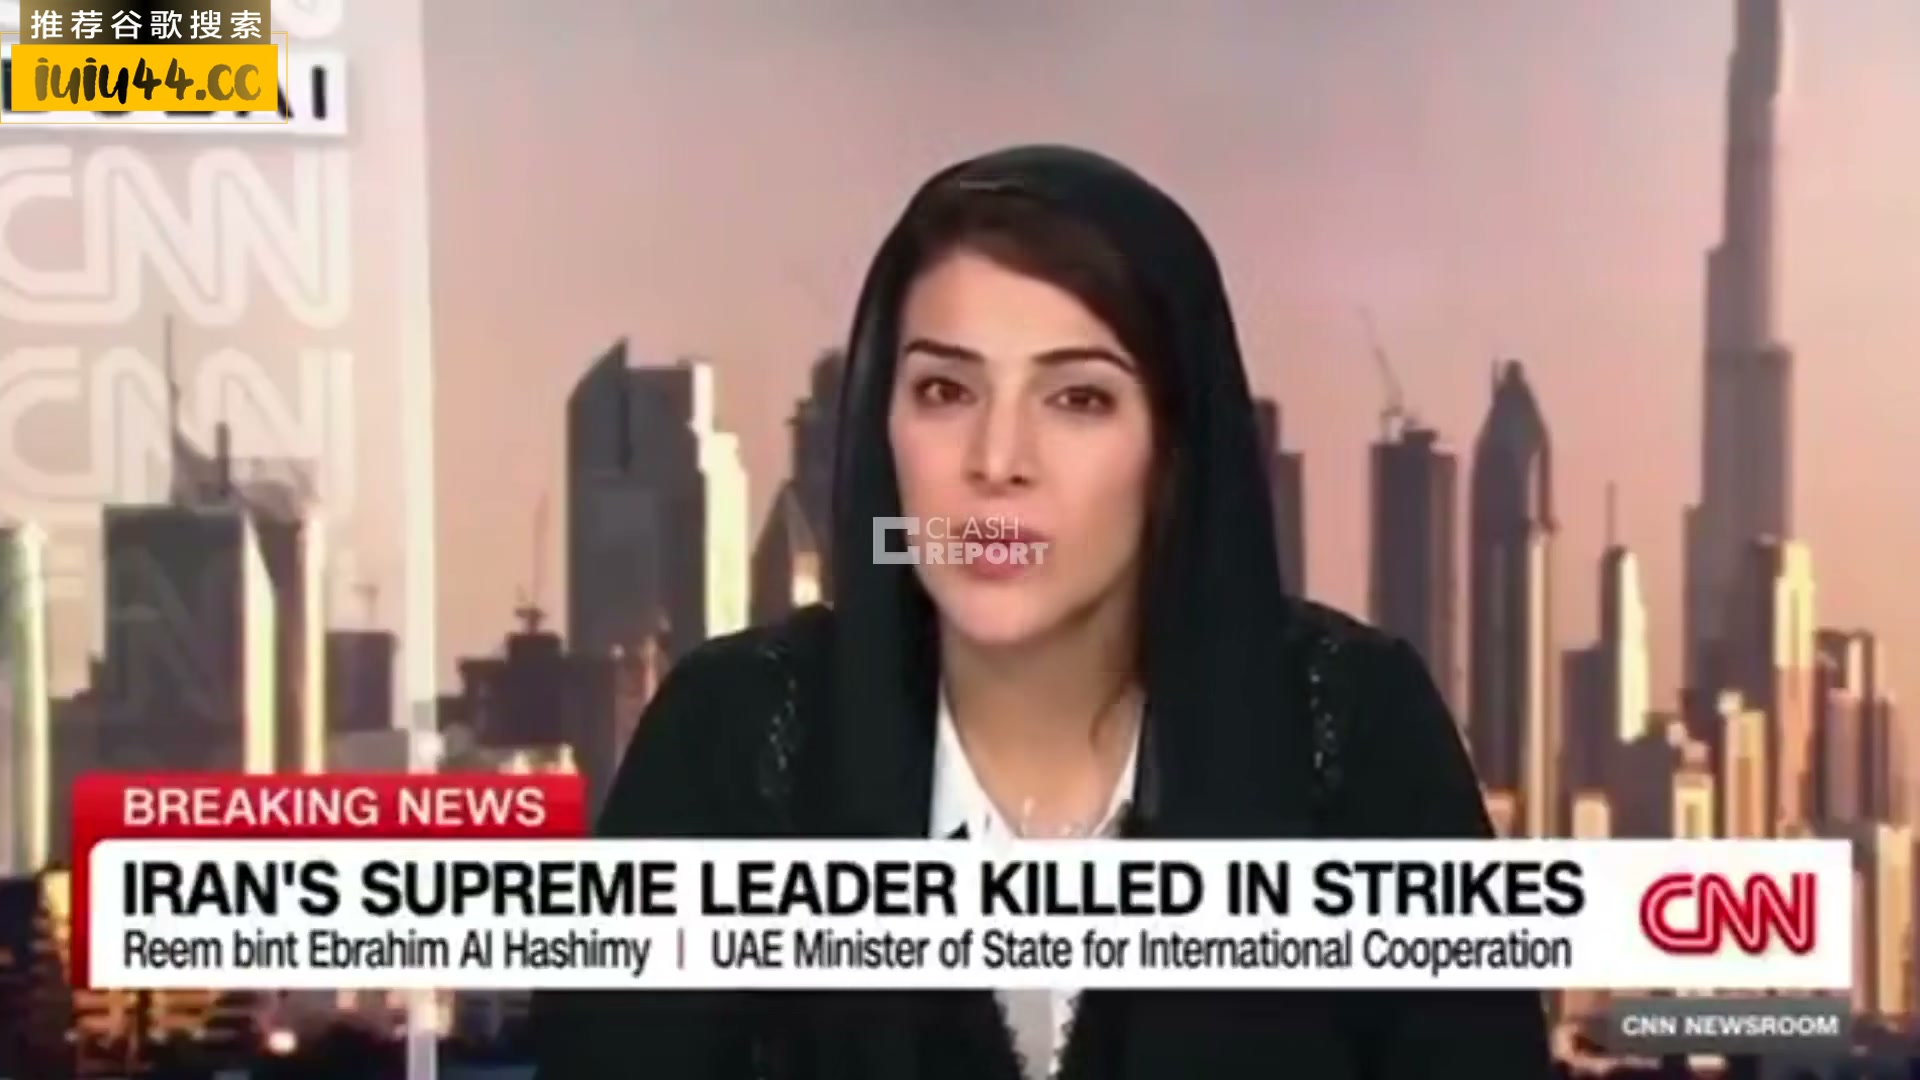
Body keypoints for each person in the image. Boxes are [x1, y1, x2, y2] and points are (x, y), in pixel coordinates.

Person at [532, 145, 1553, 1079]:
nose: (995, 461)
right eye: (945, 390)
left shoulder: (1354, 729)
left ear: (1173, 451)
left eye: (1078, 399)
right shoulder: (734, 735)